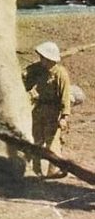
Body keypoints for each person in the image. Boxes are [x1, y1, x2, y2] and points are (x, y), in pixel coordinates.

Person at [23, 41, 71, 178]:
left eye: (43, 57)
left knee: (52, 144)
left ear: (50, 59)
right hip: (39, 110)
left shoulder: (61, 74)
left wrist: (64, 117)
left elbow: (65, 97)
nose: (41, 60)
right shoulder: (38, 70)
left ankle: (53, 172)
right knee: (35, 140)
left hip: (53, 112)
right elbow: (26, 82)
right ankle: (35, 171)